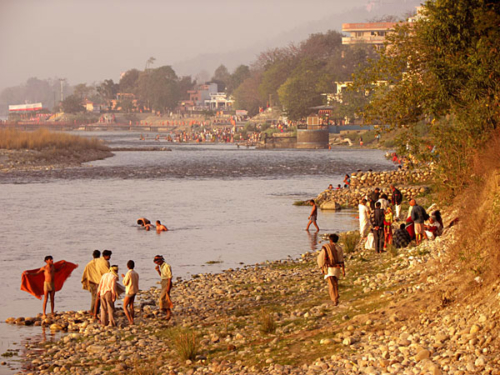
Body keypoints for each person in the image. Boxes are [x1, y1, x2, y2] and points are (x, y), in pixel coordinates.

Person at [317, 234, 345, 306]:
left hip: (329, 268)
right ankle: (336, 296)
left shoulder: (327, 248)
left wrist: (321, 267)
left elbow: (321, 258)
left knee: (331, 284)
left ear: (330, 240)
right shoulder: (339, 248)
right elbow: (341, 260)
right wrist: (343, 270)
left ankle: (334, 299)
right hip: (337, 268)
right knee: (335, 283)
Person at [154, 255, 173, 320]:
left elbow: (169, 277)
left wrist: (168, 287)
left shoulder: (167, 266)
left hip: (167, 282)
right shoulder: (161, 267)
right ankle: (168, 313)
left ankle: (168, 312)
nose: (157, 263)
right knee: (165, 299)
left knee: (162, 299)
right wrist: (158, 270)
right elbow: (162, 276)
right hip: (163, 282)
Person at [121, 260, 139, 325]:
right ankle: (132, 319)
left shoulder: (128, 273)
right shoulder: (136, 273)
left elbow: (125, 283)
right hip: (134, 290)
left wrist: (123, 277)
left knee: (125, 306)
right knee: (131, 305)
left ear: (127, 266)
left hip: (129, 291)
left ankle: (129, 320)